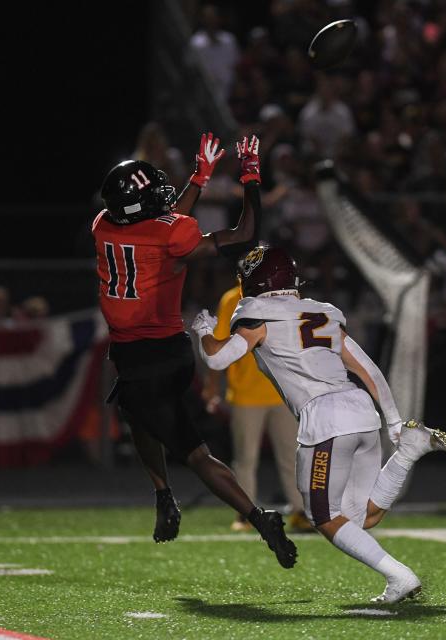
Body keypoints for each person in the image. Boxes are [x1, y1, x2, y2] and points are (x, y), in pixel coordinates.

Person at [191, 246, 446, 603]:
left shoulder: (256, 312)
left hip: (325, 419)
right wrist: (392, 420)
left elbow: (218, 358)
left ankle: (401, 577)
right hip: (362, 412)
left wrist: (204, 330)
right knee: (360, 518)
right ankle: (407, 452)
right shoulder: (323, 312)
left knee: (323, 516)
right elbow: (367, 369)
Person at [92, 132, 297, 569]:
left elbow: (158, 226)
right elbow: (244, 232)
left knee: (193, 452)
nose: (167, 199)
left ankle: (258, 518)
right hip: (164, 352)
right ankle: (165, 496)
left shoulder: (103, 225)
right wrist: (249, 176)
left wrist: (200, 180)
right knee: (138, 414)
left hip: (142, 355)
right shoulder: (169, 233)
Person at [202, 283, 312, 533]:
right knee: (245, 458)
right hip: (246, 393)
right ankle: (245, 513)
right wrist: (211, 385)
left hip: (283, 390)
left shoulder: (286, 298)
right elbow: (219, 343)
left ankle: (300, 510)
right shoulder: (232, 298)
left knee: (292, 456)